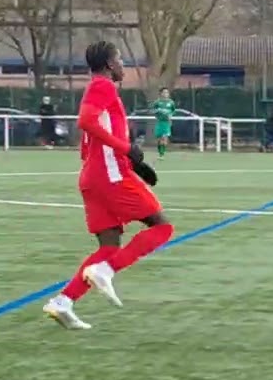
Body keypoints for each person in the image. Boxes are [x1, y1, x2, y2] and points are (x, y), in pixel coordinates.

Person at [42, 41, 174, 330]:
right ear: (109, 64)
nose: (123, 64)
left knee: (109, 245)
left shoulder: (99, 89)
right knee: (163, 227)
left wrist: (134, 164)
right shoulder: (103, 86)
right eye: (120, 59)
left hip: (94, 177)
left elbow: (92, 141)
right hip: (108, 177)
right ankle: (107, 270)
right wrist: (127, 150)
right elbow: (86, 122)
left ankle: (63, 302)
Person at [151, 87, 176, 158]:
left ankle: (162, 155)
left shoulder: (171, 102)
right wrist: (157, 111)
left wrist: (171, 115)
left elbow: (173, 110)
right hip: (159, 123)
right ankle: (160, 152)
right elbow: (153, 111)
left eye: (167, 92)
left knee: (164, 138)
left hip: (167, 123)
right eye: (164, 92)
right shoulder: (157, 102)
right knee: (159, 140)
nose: (166, 94)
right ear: (161, 93)